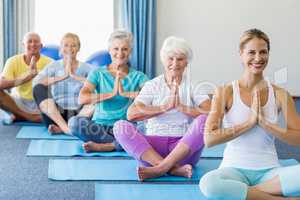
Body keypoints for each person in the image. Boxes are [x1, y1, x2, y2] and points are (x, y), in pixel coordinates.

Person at [199, 29, 300, 200]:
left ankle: (245, 192)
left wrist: (268, 126)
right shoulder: (225, 92)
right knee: (209, 184)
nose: (258, 58)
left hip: (270, 173)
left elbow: (298, 138)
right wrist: (249, 123)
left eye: (263, 52)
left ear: (268, 53)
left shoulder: (280, 94)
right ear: (241, 54)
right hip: (233, 170)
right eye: (251, 52)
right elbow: (209, 139)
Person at [113, 36, 211, 181]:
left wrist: (181, 107)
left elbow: (212, 114)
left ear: (187, 62)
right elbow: (131, 114)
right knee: (120, 127)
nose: (175, 63)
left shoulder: (193, 85)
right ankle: (172, 169)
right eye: (171, 58)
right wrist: (165, 107)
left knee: (205, 121)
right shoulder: (152, 85)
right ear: (164, 60)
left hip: (183, 150)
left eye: (180, 59)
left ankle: (160, 169)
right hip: (151, 151)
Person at [68, 30, 148, 152]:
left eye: (124, 49)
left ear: (130, 51)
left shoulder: (138, 76)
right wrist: (111, 94)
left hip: (125, 128)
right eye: (116, 49)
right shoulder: (97, 73)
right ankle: (121, 144)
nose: (120, 53)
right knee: (74, 123)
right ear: (109, 50)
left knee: (146, 126)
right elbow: (82, 98)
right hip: (98, 127)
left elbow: (152, 97)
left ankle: (108, 146)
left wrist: (125, 93)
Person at [33, 33, 95, 134]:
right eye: (66, 45)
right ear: (61, 48)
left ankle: (66, 128)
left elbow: (99, 85)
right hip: (56, 115)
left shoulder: (87, 68)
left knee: (99, 94)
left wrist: (75, 77)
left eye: (73, 45)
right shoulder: (53, 66)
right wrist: (62, 77)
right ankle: (67, 129)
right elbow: (36, 83)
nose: (69, 48)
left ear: (78, 48)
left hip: (81, 114)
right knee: (38, 88)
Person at [0, 32, 52, 123]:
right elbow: (1, 84)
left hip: (41, 103)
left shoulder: (50, 63)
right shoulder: (12, 61)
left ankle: (19, 116)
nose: (33, 44)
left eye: (36, 42)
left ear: (41, 46)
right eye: (29, 41)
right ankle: (27, 116)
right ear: (23, 44)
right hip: (19, 102)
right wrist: (28, 76)